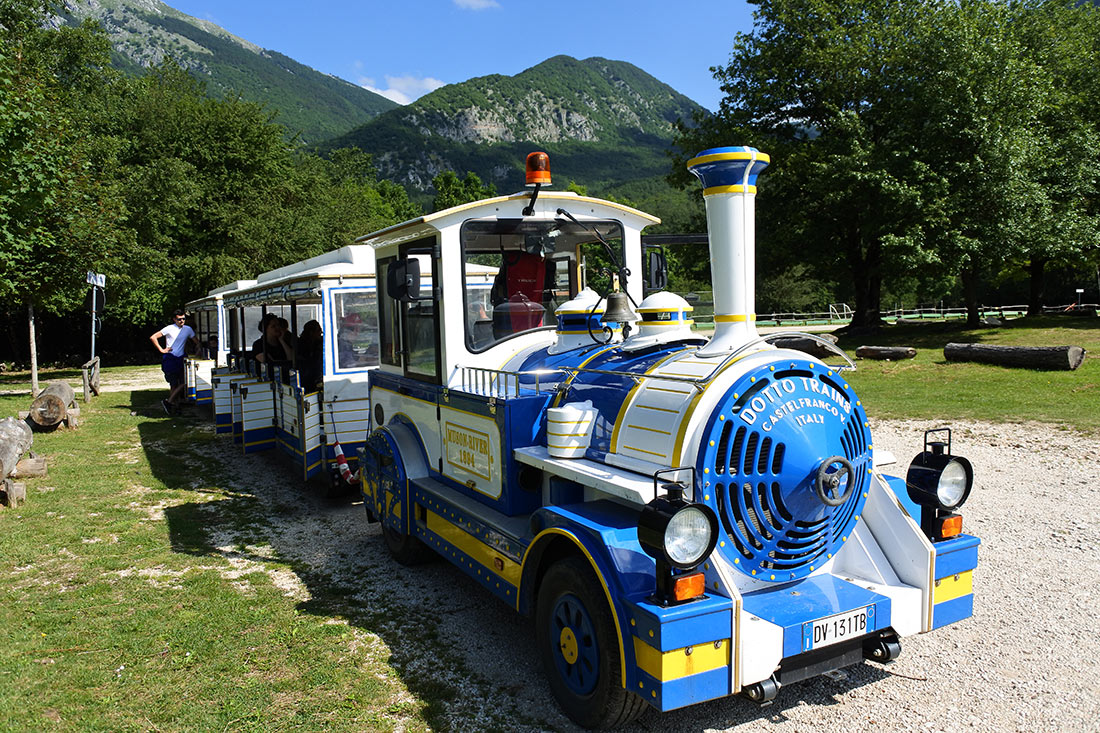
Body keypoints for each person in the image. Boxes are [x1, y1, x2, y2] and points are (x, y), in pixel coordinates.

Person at [150, 309, 199, 414]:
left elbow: (196, 341)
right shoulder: (169, 328)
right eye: (179, 319)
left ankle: (170, 402)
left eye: (183, 319)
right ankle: (173, 406)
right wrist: (161, 350)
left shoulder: (188, 329)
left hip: (181, 357)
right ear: (174, 319)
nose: (181, 321)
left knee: (184, 382)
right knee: (173, 383)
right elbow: (153, 337)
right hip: (171, 357)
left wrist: (198, 350)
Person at [296, 320, 324, 391]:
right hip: (307, 378)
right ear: (311, 332)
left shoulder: (319, 342)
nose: (320, 333)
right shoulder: (302, 345)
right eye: (318, 330)